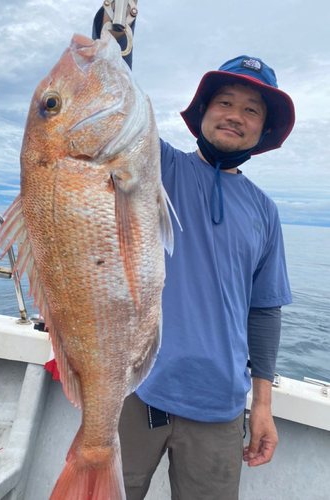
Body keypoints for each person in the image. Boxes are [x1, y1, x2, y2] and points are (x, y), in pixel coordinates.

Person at [93, 6, 295, 500]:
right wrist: (117, 25)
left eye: (252, 110)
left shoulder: (265, 211)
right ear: (202, 112)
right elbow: (106, 109)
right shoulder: (156, 163)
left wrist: (261, 404)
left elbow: (264, 311)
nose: (235, 115)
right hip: (140, 388)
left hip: (222, 407)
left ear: (262, 131)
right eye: (225, 101)